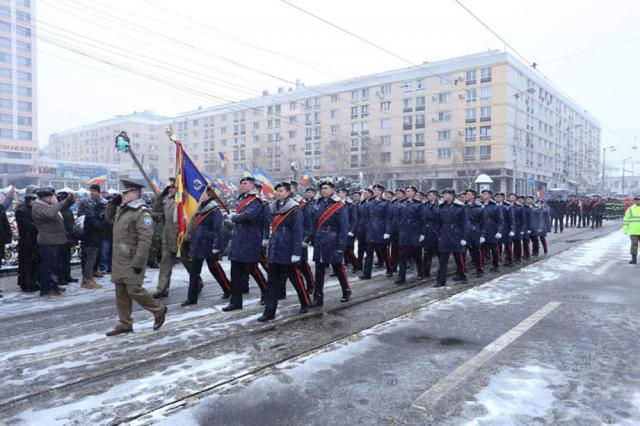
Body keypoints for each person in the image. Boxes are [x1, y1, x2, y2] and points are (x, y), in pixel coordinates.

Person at [104, 179, 166, 336]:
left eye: (126, 193)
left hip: (132, 259)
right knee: (121, 292)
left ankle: (158, 310)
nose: (122, 195)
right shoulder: (123, 209)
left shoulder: (141, 212)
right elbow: (108, 219)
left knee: (134, 290)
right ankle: (124, 323)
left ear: (135, 194)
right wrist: (112, 204)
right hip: (119, 257)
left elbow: (145, 239)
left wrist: (139, 262)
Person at [257, 182, 310, 322]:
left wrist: (296, 253)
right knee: (272, 283)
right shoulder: (272, 207)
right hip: (274, 249)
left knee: (296, 280)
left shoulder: (294, 209)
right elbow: (267, 227)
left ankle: (305, 301)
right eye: (277, 191)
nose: (277, 193)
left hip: (287, 250)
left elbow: (298, 232)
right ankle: (269, 312)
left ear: (288, 192)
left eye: (281, 191)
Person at [181, 186, 231, 306]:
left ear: (208, 195)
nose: (199, 195)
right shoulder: (200, 208)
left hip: (209, 244)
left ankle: (228, 288)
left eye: (202, 193)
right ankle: (192, 298)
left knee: (215, 269)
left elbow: (217, 229)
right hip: (198, 244)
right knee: (194, 272)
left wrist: (217, 246)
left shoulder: (214, 210)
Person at [223, 176, 265, 312]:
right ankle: (235, 302)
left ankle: (266, 292)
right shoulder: (241, 199)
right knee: (235, 272)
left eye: (245, 183)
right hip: (238, 239)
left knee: (252, 270)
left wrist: (233, 218)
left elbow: (249, 216)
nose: (242, 185)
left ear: (252, 185)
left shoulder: (257, 201)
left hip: (250, 240)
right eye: (241, 183)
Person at [309, 181, 350, 306]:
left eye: (326, 188)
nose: (323, 190)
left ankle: (346, 290)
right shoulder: (318, 203)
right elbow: (314, 223)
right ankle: (318, 297)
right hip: (320, 240)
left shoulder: (339, 205)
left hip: (333, 239)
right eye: (322, 188)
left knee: (337, 268)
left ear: (333, 189)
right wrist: (313, 238)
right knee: (319, 270)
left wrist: (341, 247)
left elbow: (343, 228)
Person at [32, 187, 74, 297]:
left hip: (55, 241)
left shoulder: (47, 205)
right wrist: (57, 203)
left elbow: (63, 206)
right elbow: (51, 213)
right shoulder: (38, 206)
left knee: (54, 266)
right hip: (48, 241)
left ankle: (53, 286)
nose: (55, 198)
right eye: (52, 196)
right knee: (47, 267)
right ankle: (46, 290)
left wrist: (69, 199)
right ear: (46, 197)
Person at [152, 179, 180, 298]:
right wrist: (161, 196)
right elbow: (156, 208)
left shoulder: (184, 201)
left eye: (174, 187)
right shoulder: (167, 199)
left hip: (180, 236)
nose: (171, 189)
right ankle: (161, 289)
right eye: (170, 187)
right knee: (165, 263)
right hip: (167, 235)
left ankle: (197, 283)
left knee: (189, 264)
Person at [359, 184, 393, 280]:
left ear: (381, 191)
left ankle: (390, 269)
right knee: (369, 254)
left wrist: (387, 231)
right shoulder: (370, 202)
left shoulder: (386, 203)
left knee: (384, 253)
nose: (374, 191)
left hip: (381, 230)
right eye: (373, 189)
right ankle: (366, 273)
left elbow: (388, 219)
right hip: (371, 231)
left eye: (376, 190)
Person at [435, 188, 467, 287]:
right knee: (443, 260)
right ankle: (441, 281)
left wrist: (464, 238)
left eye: (446, 194)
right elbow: (438, 223)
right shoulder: (441, 207)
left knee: (459, 259)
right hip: (444, 236)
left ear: (452, 195)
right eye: (443, 194)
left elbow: (464, 224)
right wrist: (439, 235)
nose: (444, 196)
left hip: (456, 236)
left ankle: (463, 275)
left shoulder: (460, 207)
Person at [77, 184, 106, 289]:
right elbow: (83, 216)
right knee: (88, 258)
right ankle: (87, 279)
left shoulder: (103, 202)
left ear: (99, 192)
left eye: (94, 191)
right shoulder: (87, 204)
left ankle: (90, 276)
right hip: (90, 235)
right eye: (91, 191)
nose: (92, 192)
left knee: (94, 257)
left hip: (96, 236)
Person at [394, 186, 424, 285]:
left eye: (409, 191)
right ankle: (401, 277)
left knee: (417, 255)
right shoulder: (402, 203)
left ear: (414, 193)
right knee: (402, 256)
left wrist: (422, 233)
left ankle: (421, 272)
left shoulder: (419, 205)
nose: (407, 192)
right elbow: (398, 218)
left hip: (414, 232)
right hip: (404, 233)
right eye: (406, 191)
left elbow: (422, 220)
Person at [15, 193, 39, 292]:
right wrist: (37, 227)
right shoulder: (21, 210)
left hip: (33, 240)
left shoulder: (32, 209)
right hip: (26, 240)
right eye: (34, 200)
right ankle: (26, 284)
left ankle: (33, 283)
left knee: (34, 263)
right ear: (29, 200)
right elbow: (24, 224)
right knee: (26, 264)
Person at [57, 190, 79, 284]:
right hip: (61, 237)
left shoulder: (67, 208)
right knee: (61, 259)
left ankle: (67, 276)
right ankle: (61, 278)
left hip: (68, 237)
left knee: (66, 258)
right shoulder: (59, 209)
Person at [480, 190, 504, 272]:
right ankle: (480, 267)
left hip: (492, 231)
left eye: (485, 194)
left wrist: (499, 231)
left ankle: (495, 265)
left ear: (490, 196)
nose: (483, 195)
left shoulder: (495, 206)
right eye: (483, 194)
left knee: (494, 250)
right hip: (481, 232)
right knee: (481, 250)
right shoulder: (480, 206)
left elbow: (501, 221)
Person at [465, 189, 484, 278]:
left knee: (477, 252)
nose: (466, 196)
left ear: (473, 196)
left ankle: (479, 269)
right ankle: (462, 272)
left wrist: (483, 234)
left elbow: (484, 222)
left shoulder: (479, 207)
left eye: (468, 194)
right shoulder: (464, 206)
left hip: (476, 233)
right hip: (466, 233)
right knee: (466, 253)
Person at [338, 188, 359, 271]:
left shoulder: (351, 205)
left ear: (345, 194)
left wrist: (352, 230)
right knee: (338, 250)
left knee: (348, 250)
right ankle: (338, 269)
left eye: (340, 192)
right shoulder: (336, 204)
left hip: (347, 230)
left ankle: (356, 265)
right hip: (339, 230)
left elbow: (354, 219)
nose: (338, 194)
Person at [421, 189, 439, 278]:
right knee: (427, 253)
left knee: (440, 253)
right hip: (427, 232)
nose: (429, 197)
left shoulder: (439, 205)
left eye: (431, 195)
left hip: (437, 232)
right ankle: (425, 272)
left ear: (435, 196)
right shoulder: (425, 206)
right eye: (428, 195)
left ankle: (442, 269)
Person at [495, 192, 515, 267]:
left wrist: (512, 229)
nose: (497, 198)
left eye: (499, 197)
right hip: (497, 229)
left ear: (503, 198)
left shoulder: (508, 206)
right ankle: (498, 259)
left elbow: (512, 219)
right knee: (498, 245)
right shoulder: (494, 206)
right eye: (496, 197)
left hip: (506, 229)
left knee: (507, 245)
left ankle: (510, 260)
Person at [355, 189, 370, 272]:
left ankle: (368, 267)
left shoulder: (372, 203)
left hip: (370, 228)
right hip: (361, 228)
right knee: (360, 248)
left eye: (366, 193)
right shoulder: (362, 203)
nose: (364, 194)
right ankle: (359, 265)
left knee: (369, 249)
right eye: (364, 193)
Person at [623, 196, 640, 264]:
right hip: (634, 231)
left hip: (635, 230)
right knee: (634, 245)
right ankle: (634, 259)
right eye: (635, 200)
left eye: (638, 200)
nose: (636, 201)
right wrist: (625, 230)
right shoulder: (630, 209)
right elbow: (626, 220)